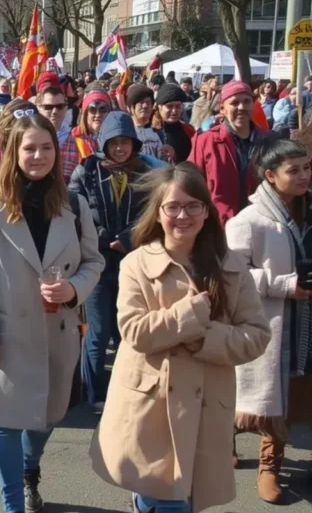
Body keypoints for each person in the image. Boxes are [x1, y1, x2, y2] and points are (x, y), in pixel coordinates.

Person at [90, 163, 270, 513]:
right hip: (151, 404)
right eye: (172, 206)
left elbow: (257, 335)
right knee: (167, 496)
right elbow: (134, 331)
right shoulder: (136, 264)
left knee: (185, 495)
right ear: (158, 213)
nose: (182, 215)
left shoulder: (231, 267)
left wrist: (207, 339)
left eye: (193, 206)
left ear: (206, 212)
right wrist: (190, 316)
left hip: (206, 403)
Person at [0, 111, 103, 513]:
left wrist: (73, 289)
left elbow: (94, 261)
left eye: (46, 148)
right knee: (5, 423)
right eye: (29, 148)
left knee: (48, 416)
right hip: (6, 333)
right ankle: (11, 503)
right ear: (12, 152)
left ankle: (29, 468)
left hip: (58, 331)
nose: (38, 155)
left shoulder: (74, 202)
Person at [226, 139, 312, 504]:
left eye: (307, 167)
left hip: (306, 321)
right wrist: (283, 285)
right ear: (270, 176)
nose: (304, 176)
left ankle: (271, 463)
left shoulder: (309, 212)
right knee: (258, 396)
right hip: (267, 323)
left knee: (292, 396)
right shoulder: (248, 221)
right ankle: (231, 443)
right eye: (294, 170)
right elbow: (232, 275)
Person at [69, 111, 158, 412]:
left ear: (134, 144)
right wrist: (105, 238)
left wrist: (131, 238)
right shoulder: (87, 170)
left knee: (129, 334)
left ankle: (127, 391)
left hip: (135, 265)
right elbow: (73, 212)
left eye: (125, 142)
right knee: (97, 332)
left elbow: (156, 214)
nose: (120, 149)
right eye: (113, 142)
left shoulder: (148, 173)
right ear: (103, 143)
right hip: (96, 264)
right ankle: (94, 394)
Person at [189, 80, 279, 224]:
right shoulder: (206, 141)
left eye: (247, 101)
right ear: (222, 108)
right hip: (218, 227)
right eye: (234, 103)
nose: (241, 107)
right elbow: (190, 183)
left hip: (260, 225)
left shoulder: (269, 140)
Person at [59, 89, 107, 183]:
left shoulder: (114, 138)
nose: (97, 115)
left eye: (102, 110)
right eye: (92, 110)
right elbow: (66, 177)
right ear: (85, 113)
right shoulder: (74, 138)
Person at [152, 84, 197, 164]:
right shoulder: (152, 131)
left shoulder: (189, 131)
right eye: (169, 106)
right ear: (159, 107)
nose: (174, 111)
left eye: (178, 106)